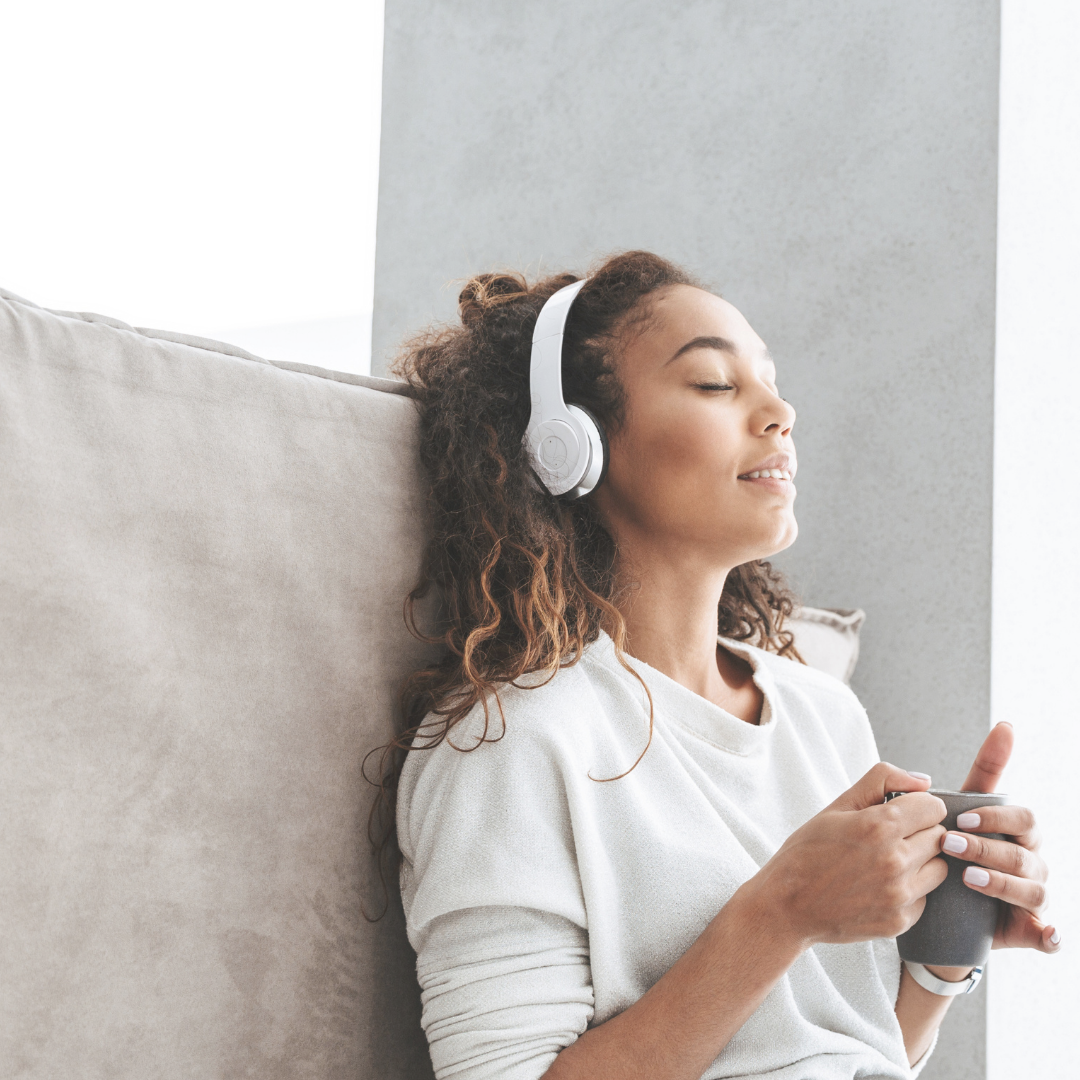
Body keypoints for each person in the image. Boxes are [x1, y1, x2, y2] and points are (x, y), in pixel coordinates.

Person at [377, 251, 1057, 1080]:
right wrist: (781, 912)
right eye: (714, 383)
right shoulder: (512, 741)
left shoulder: (822, 714)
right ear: (571, 446)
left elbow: (854, 1048)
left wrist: (949, 945)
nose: (780, 412)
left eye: (770, 381)